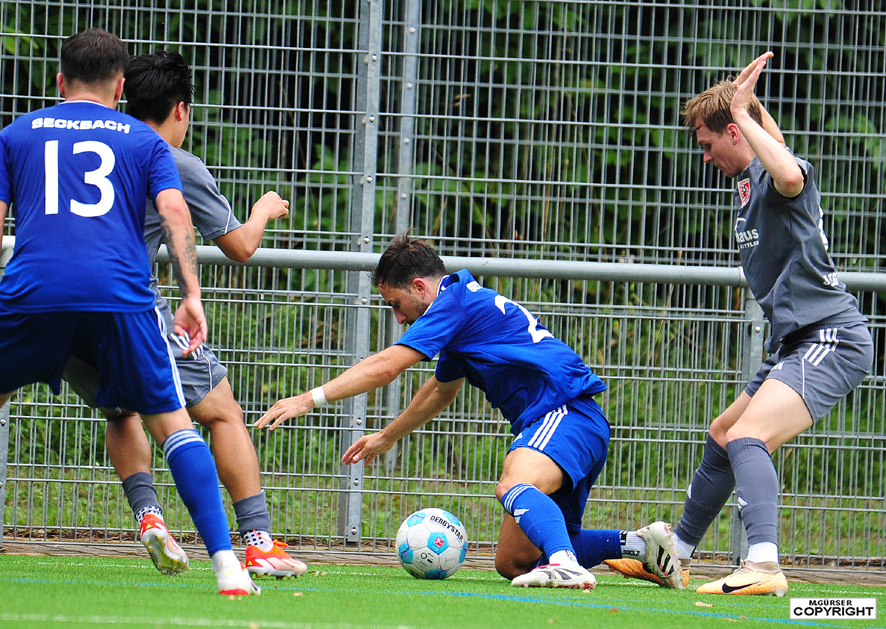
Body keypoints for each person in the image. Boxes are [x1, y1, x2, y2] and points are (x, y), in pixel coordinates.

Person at [256, 232, 683, 590]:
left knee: (513, 482)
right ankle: (639, 546)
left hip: (565, 411)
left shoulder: (452, 303)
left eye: (396, 304)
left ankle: (565, 564)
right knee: (513, 562)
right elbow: (440, 390)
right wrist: (387, 436)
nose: (398, 318)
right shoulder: (462, 310)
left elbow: (386, 366)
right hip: (570, 422)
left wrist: (308, 399)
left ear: (420, 287)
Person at [0, 29, 258, 595]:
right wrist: (191, 294)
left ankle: (154, 519)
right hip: (121, 295)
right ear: (120, 88)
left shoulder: (15, 134)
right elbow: (174, 213)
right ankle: (228, 565)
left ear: (60, 81)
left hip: (35, 290)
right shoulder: (144, 142)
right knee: (172, 422)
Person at [606, 52, 873, 596]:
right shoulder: (751, 178)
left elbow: (789, 170)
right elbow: (771, 147)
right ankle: (676, 555)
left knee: (749, 437)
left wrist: (744, 111)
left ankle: (765, 566)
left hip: (830, 337)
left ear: (734, 134)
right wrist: (745, 104)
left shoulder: (780, 177)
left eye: (708, 144)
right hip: (794, 343)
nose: (704, 156)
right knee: (723, 434)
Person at [61, 50, 306, 579]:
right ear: (181, 109)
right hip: (133, 310)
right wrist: (264, 208)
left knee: (121, 411)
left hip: (58, 307)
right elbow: (240, 247)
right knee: (220, 409)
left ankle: (149, 516)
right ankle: (257, 542)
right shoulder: (171, 160)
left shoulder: (79, 147)